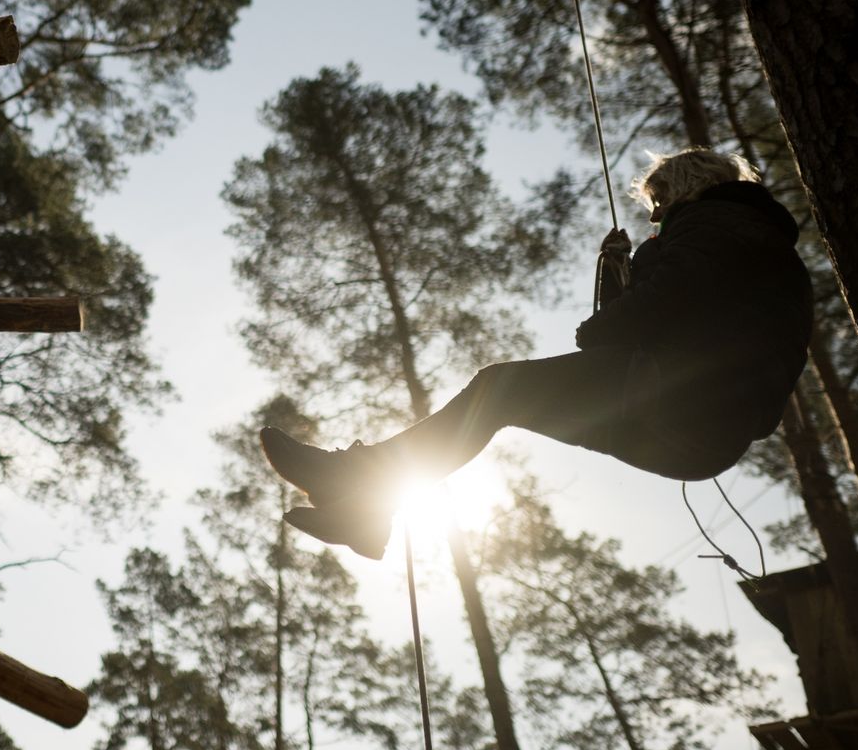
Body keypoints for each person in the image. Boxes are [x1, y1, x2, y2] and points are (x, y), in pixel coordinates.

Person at [261, 148, 813, 559]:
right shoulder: (744, 238)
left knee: (500, 389)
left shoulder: (717, 221)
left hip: (682, 398)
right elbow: (635, 328)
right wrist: (622, 275)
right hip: (695, 434)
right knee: (503, 399)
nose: (654, 216)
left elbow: (629, 323)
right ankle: (366, 507)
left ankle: (357, 482)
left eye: (659, 200)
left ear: (689, 186)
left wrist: (626, 293)